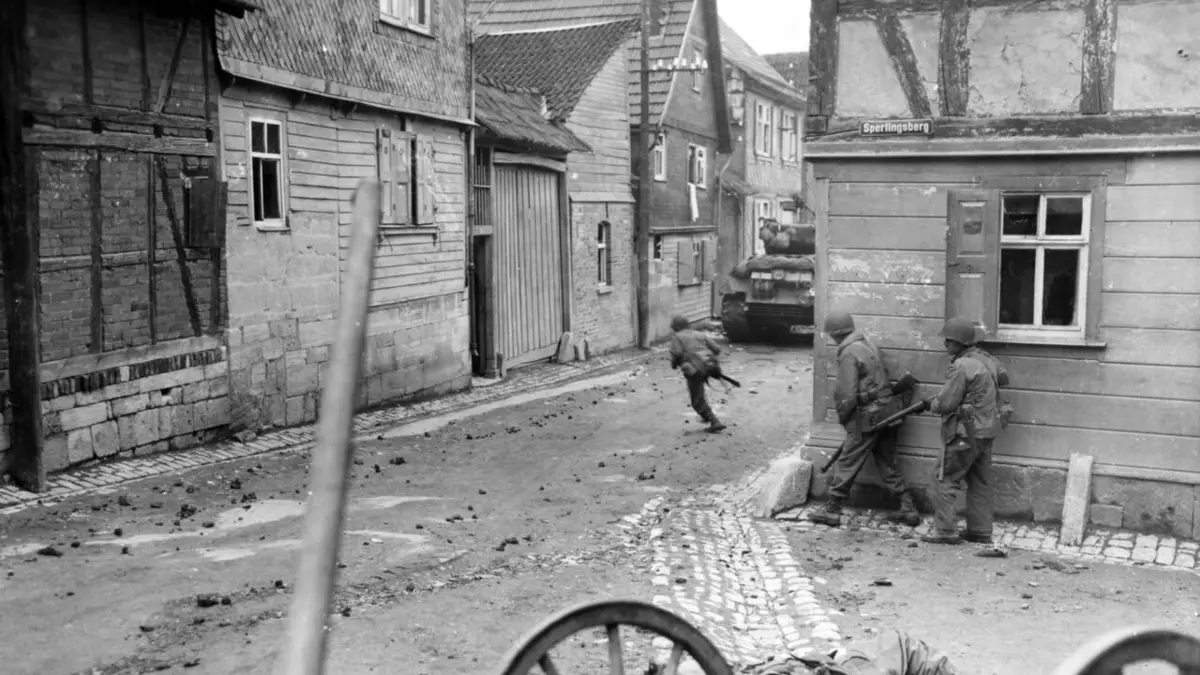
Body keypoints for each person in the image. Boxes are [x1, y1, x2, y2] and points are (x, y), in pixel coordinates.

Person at [809, 311, 920, 528]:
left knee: (848, 460)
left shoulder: (849, 353)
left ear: (835, 335)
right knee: (886, 463)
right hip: (889, 412)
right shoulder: (869, 345)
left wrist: (845, 417)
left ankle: (832, 509)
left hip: (867, 417)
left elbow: (845, 394)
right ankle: (908, 507)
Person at [920, 317, 1006, 545]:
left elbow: (947, 404)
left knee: (942, 479)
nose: (945, 344)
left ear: (961, 342)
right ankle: (980, 531)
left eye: (949, 340)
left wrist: (932, 404)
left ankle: (946, 531)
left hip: (965, 433)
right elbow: (1000, 381)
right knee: (980, 482)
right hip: (987, 431)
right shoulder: (988, 360)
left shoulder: (961, 366)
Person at [667, 315, 727, 432]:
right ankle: (706, 416)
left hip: (694, 370)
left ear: (676, 327)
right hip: (709, 367)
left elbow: (677, 354)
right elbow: (717, 349)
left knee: (696, 400)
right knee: (699, 394)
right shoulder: (699, 334)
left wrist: (674, 364)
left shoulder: (677, 337)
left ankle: (714, 421)